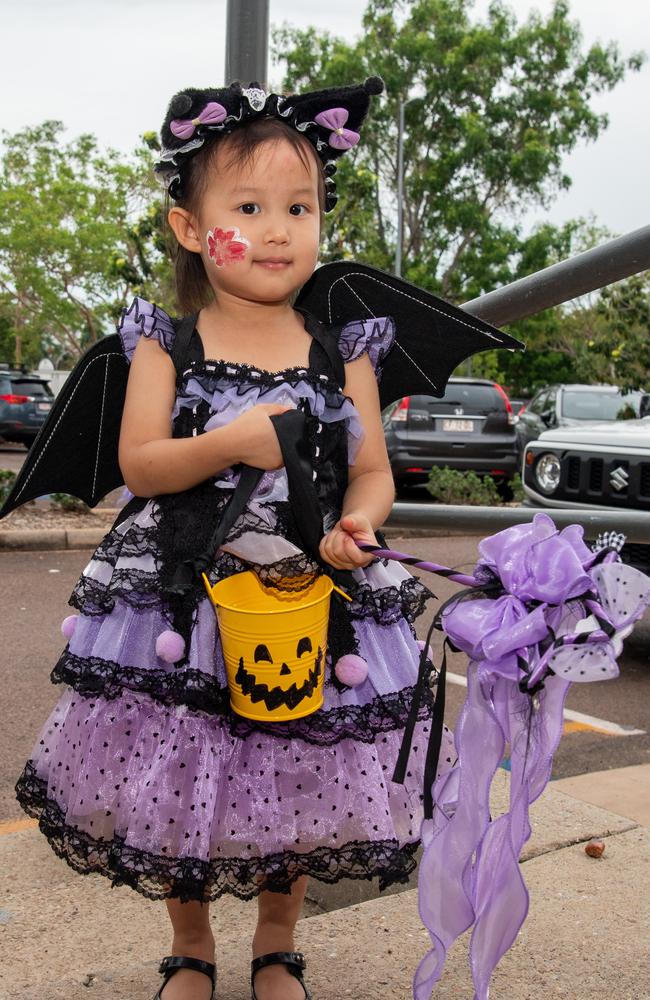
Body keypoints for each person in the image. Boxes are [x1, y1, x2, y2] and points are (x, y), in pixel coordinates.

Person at [14, 78, 456, 1000]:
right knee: (186, 770)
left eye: (300, 207)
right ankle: (191, 948)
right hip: (184, 596)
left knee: (295, 767)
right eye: (247, 207)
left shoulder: (345, 348)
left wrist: (361, 520)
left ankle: (277, 942)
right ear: (189, 227)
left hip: (312, 595)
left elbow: (370, 469)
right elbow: (142, 463)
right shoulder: (162, 342)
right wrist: (236, 441)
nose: (279, 228)